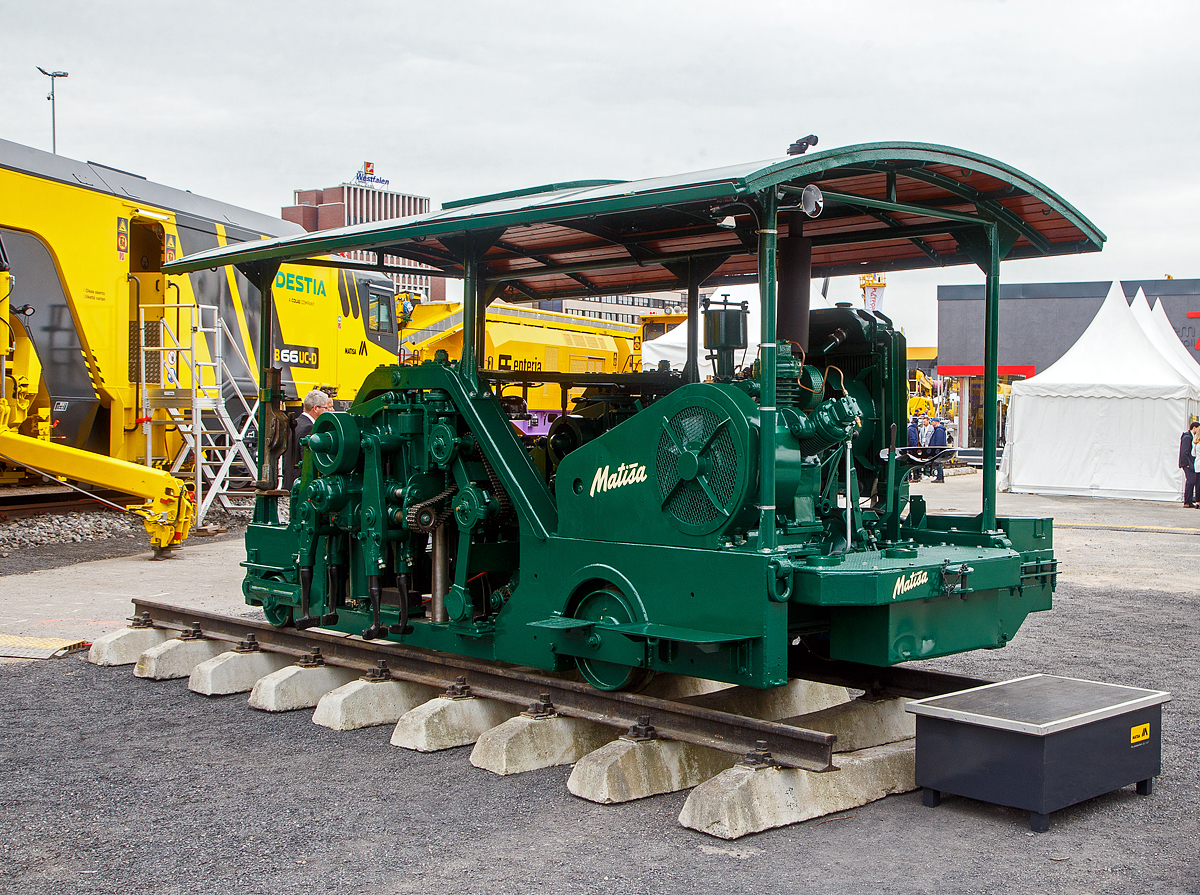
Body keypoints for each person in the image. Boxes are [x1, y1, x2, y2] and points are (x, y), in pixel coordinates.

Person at [285, 389, 333, 490]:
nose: (328, 411)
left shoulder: (296, 424)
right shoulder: (309, 428)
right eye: (325, 408)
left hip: (291, 480)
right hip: (302, 484)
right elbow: (307, 461)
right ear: (315, 408)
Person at [1180, 421, 1199, 507]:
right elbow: (1185, 451)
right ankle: (1187, 501)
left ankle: (1189, 501)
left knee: (1192, 481)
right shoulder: (1187, 437)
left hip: (1189, 463)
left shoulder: (1191, 437)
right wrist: (1187, 463)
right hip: (1187, 463)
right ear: (1194, 427)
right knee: (1190, 481)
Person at [929, 417, 948, 483]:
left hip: (938, 450)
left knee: (938, 463)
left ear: (935, 422)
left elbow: (939, 441)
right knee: (938, 463)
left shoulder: (939, 430)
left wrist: (936, 450)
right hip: (939, 450)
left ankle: (939, 478)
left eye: (932, 421)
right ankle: (940, 477)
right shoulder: (938, 429)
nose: (931, 423)